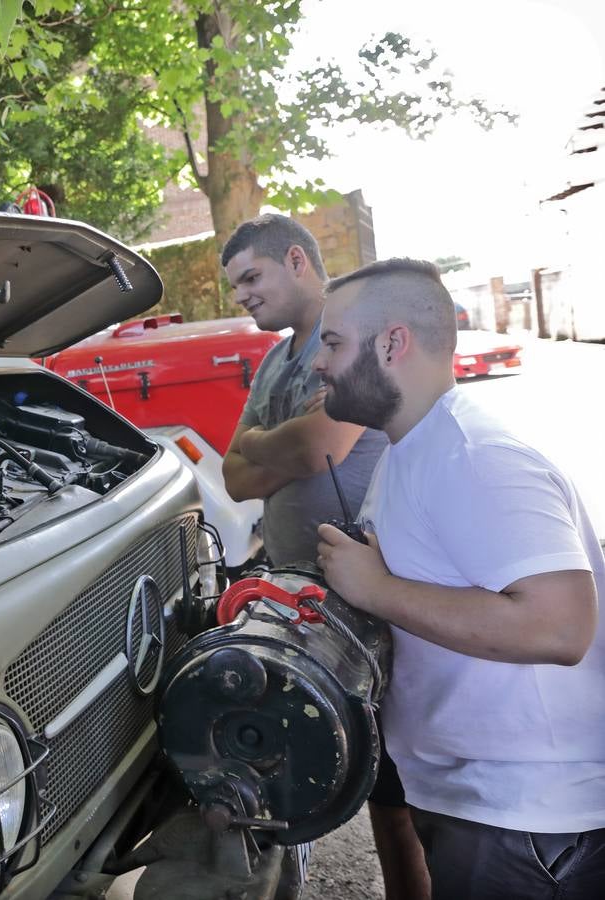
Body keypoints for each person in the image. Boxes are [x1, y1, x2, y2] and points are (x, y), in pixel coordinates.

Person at [314, 257, 605, 899]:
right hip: (479, 804)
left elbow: (560, 626)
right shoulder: (412, 448)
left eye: (333, 342)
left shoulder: (477, 455)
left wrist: (377, 588)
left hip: (526, 826)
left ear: (392, 342)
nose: (319, 363)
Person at [220, 216, 427, 900]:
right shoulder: (280, 360)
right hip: (301, 598)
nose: (241, 296)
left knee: (400, 791)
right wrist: (269, 444)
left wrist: (265, 444)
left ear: (299, 262)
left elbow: (319, 449)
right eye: (235, 284)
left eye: (252, 277)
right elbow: (231, 473)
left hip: (372, 590)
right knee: (328, 774)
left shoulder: (349, 341)